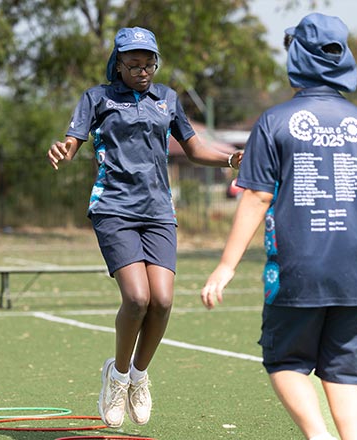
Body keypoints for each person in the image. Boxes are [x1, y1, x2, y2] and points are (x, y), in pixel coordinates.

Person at [200, 13, 357, 440]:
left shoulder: (273, 122)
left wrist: (225, 266)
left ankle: (318, 437)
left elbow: (258, 197)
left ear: (296, 56)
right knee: (346, 374)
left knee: (285, 362)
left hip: (298, 271)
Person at [47, 26, 242, 428]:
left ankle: (138, 375)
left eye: (148, 64)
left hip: (158, 211)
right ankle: (116, 377)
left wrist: (228, 160)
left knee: (164, 301)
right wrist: (64, 149)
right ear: (117, 64)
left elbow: (193, 147)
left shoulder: (167, 98)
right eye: (133, 64)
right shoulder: (96, 98)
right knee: (137, 298)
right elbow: (72, 140)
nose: (142, 71)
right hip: (114, 209)